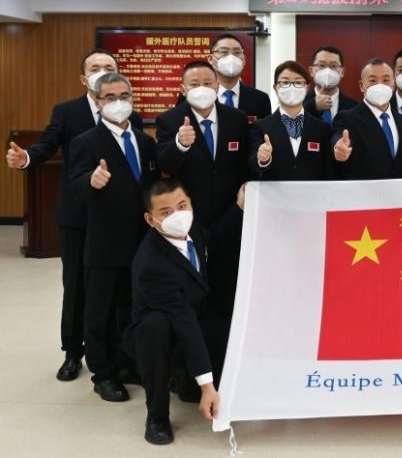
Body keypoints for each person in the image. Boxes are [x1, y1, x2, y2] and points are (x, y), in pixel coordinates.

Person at [5, 49, 142, 382]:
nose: (102, 71)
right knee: (77, 285)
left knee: (114, 287)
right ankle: (72, 352)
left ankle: (117, 351)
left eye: (109, 66)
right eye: (95, 68)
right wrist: (27, 158)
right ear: (84, 79)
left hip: (115, 219)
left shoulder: (130, 115)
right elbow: (47, 144)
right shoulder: (67, 111)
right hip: (78, 215)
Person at [126, 178, 243, 445]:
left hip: (195, 314)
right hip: (161, 329)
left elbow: (214, 238)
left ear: (190, 203)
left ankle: (186, 382)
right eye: (166, 212)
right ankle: (156, 417)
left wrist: (239, 206)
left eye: (182, 206)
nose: (177, 216)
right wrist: (207, 386)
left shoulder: (193, 230)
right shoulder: (151, 264)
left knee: (227, 331)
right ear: (150, 219)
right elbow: (183, 321)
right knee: (155, 328)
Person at [68, 73, 158, 402]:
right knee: (99, 312)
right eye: (110, 97)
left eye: (124, 95)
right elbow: (74, 185)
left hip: (141, 242)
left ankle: (127, 363)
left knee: (131, 307)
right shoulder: (86, 142)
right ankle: (103, 374)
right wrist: (89, 180)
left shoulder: (145, 142)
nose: (118, 102)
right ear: (97, 100)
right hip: (104, 243)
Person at [155, 60, 249, 319]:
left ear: (217, 85)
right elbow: (165, 166)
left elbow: (244, 165)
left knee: (227, 285)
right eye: (194, 84)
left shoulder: (237, 119)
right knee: (193, 286)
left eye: (208, 83)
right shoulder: (169, 120)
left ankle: (225, 339)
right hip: (189, 219)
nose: (202, 88)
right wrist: (180, 145)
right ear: (183, 88)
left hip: (231, 214)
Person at [248, 61, 331, 181]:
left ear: (307, 88)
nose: (292, 87)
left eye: (298, 82)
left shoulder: (322, 128)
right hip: (274, 192)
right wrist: (263, 159)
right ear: (275, 87)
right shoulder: (261, 127)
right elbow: (251, 163)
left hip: (312, 192)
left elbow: (329, 171)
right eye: (285, 82)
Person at [331, 58, 402, 179]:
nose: (380, 85)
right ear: (361, 86)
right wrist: (338, 148)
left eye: (386, 80)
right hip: (363, 190)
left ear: (393, 84)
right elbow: (339, 138)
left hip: (399, 190)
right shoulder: (347, 118)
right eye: (373, 81)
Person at [208, 33, 272, 122]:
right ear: (210, 59)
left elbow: (265, 129)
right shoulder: (200, 97)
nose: (231, 57)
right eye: (224, 52)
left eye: (237, 53)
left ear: (244, 60)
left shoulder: (260, 99)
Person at [303, 45, 358, 124]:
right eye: (321, 65)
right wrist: (312, 106)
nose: (328, 71)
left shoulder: (354, 107)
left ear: (342, 72)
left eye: (333, 66)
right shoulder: (298, 103)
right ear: (311, 71)